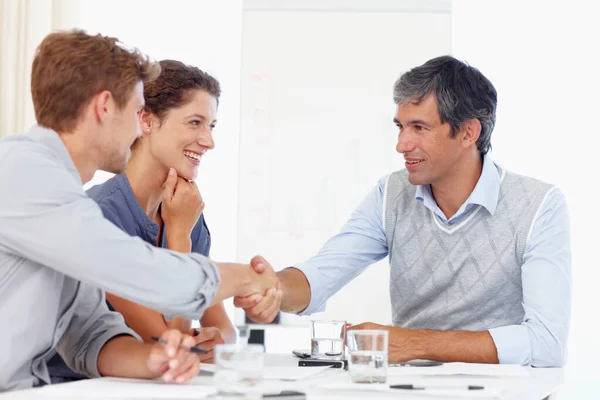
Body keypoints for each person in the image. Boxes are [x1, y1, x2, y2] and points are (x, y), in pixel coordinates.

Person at [235, 56, 571, 367]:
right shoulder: (391, 193)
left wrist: (415, 344)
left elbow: (546, 344)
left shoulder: (539, 205)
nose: (401, 145)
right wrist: (273, 289)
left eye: (419, 128)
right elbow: (323, 273)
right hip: (412, 388)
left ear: (469, 132)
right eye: (400, 127)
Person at [0, 29, 275, 392]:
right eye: (135, 111)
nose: (137, 127)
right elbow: (143, 271)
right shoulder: (24, 175)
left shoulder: (66, 203)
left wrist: (152, 359)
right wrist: (247, 278)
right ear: (104, 107)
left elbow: (88, 334)